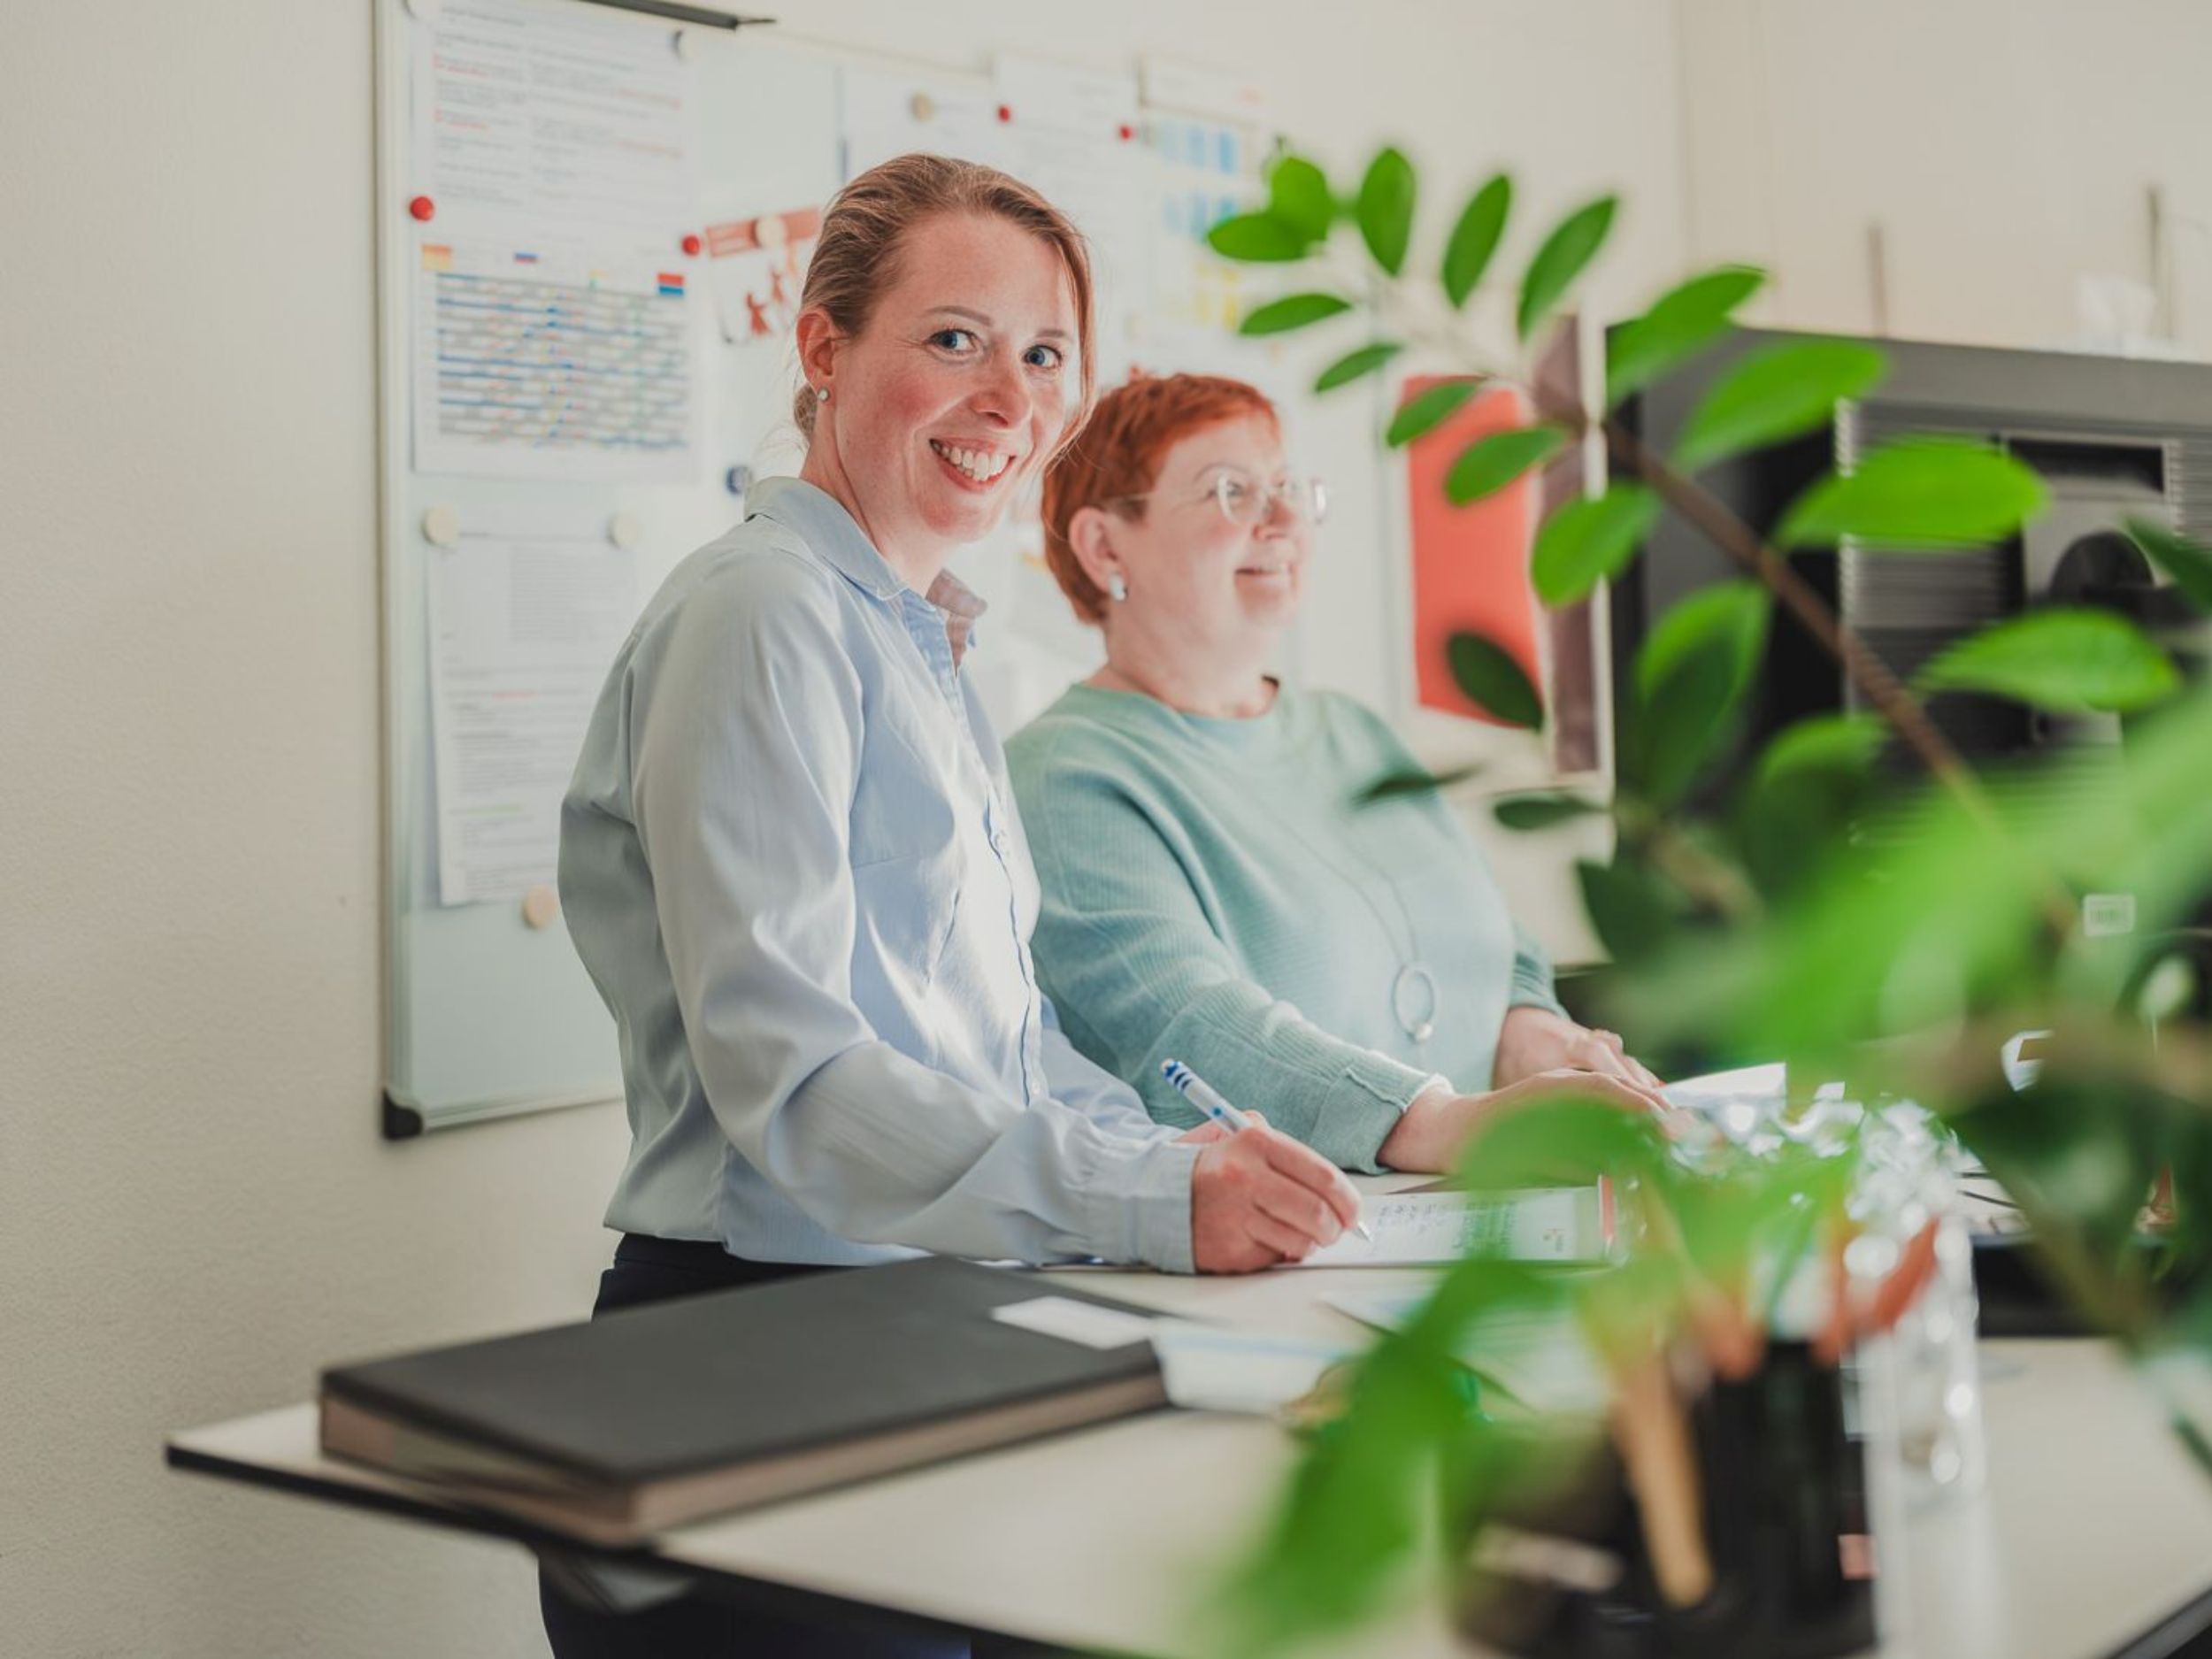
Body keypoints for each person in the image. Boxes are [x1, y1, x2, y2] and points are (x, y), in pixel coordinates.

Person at [546, 164, 1360, 1659]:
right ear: (821, 349)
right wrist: (1141, 1197)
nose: (1007, 396)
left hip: (919, 1323)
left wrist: (1169, 1149)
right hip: (757, 1343)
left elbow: (1001, 1040)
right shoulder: (760, 616)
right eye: (954, 340)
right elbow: (794, 1082)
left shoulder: (925, 645)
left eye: (1043, 355)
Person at [1005, 373, 1668, 1178]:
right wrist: (1453, 1126)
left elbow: (1496, 940)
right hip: (1296, 1241)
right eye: (1230, 491)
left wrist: (1536, 1036)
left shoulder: (1355, 733)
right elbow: (1189, 1027)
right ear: (1106, 545)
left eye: (1287, 487)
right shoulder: (1063, 777)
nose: (1282, 519)